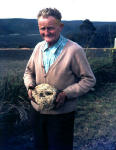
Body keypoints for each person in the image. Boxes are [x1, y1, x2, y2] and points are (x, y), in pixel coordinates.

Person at [23, 8, 96, 150]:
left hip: (62, 115)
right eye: (42, 28)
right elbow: (28, 72)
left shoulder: (74, 50)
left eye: (50, 28)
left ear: (60, 27)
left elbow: (89, 79)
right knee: (40, 146)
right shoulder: (38, 48)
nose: (46, 32)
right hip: (37, 113)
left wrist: (66, 94)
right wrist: (30, 87)